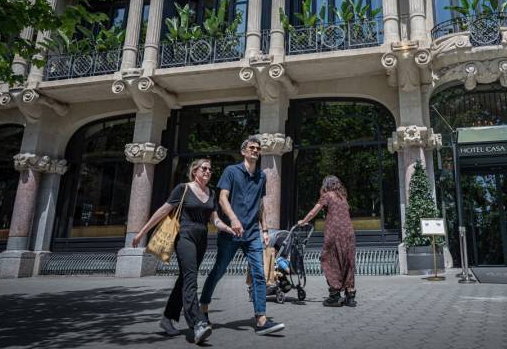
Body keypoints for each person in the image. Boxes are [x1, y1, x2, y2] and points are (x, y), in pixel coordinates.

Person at [133, 158, 235, 344]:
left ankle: (167, 319)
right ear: (194, 171)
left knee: (184, 280)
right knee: (190, 278)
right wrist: (142, 232)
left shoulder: (211, 193)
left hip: (202, 238)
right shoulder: (183, 189)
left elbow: (215, 219)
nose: (208, 172)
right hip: (184, 236)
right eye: (204, 168)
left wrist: (228, 228)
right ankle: (198, 324)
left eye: (210, 170)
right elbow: (163, 210)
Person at [199, 136, 285, 335]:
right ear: (244, 152)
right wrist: (233, 219)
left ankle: (262, 320)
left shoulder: (262, 176)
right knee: (218, 271)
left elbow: (260, 205)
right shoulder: (231, 171)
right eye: (252, 148)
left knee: (259, 274)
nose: (255, 151)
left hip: (253, 234)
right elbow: (222, 198)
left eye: (258, 148)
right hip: (231, 233)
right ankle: (203, 308)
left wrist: (264, 230)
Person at [298, 175, 357, 307]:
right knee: (347, 261)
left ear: (326, 185)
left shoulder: (327, 196)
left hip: (334, 233)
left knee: (330, 260)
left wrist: (303, 221)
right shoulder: (342, 197)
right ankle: (350, 296)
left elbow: (314, 211)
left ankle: (335, 296)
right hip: (349, 234)